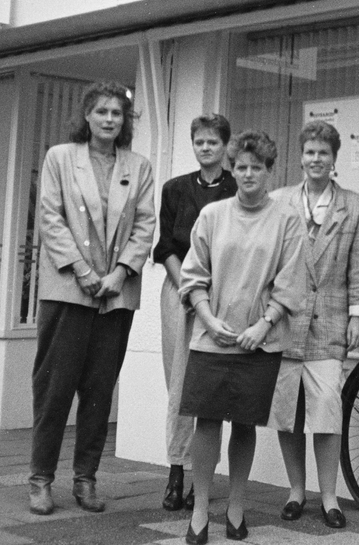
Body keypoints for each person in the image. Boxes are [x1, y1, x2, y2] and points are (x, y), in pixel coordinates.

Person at [28, 81, 156, 516]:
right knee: (55, 388)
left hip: (114, 296)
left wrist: (120, 273)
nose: (109, 119)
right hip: (68, 290)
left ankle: (85, 479)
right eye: (101, 111)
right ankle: (41, 479)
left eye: (117, 113)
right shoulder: (60, 158)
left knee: (99, 391)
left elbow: (145, 225)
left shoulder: (138, 166)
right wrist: (82, 271)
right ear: (86, 115)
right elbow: (50, 217)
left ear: (125, 121)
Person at [178, 130, 306, 544]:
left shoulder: (287, 219)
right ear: (232, 170)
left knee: (245, 424)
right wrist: (208, 319)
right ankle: (200, 509)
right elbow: (193, 275)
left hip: (259, 341)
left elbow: (291, 281)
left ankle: (236, 507)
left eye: (257, 167)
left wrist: (263, 325)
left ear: (270, 171)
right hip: (212, 337)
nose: (248, 173)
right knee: (206, 421)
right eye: (242, 167)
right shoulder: (212, 215)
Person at [267, 120, 359, 529]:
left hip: (329, 322)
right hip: (285, 321)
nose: (316, 159)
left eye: (323, 153)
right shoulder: (278, 201)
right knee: (288, 411)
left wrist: (357, 316)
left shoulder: (357, 207)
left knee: (327, 407)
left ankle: (329, 496)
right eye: (310, 152)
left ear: (334, 159)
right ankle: (296, 491)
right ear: (301, 157)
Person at [152, 114, 237, 511]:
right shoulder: (174, 189)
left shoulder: (237, 188)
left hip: (222, 293)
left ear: (225, 146)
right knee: (180, 385)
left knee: (212, 386)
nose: (205, 148)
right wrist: (188, 287)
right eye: (199, 142)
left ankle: (203, 476)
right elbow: (166, 247)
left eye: (213, 142)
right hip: (180, 293)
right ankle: (176, 472)